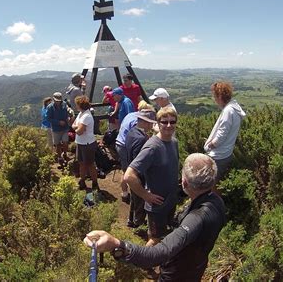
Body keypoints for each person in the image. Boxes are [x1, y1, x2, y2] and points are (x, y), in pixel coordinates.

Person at [84, 153, 226, 282]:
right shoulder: (217, 201)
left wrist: (116, 244)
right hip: (195, 269)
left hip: (175, 275)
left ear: (185, 183)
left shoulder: (196, 219)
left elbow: (156, 255)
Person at [124, 107, 179, 247]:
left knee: (163, 235)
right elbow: (129, 176)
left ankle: (159, 259)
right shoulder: (152, 147)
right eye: (164, 121)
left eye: (172, 122)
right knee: (155, 239)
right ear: (158, 123)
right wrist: (146, 195)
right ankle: (144, 263)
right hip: (157, 205)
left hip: (170, 201)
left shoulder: (173, 142)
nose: (168, 125)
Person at [204, 81, 246, 185]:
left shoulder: (228, 111)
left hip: (218, 155)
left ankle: (215, 201)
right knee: (217, 182)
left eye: (215, 96)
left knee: (213, 184)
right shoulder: (235, 108)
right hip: (226, 153)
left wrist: (211, 145)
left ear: (220, 96)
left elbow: (221, 134)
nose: (215, 100)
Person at [115, 101, 155, 204]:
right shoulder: (136, 123)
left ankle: (126, 193)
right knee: (130, 172)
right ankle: (129, 194)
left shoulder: (130, 115)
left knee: (126, 169)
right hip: (125, 145)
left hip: (121, 142)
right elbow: (138, 137)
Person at [124, 109, 156, 228]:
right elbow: (139, 161)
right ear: (146, 122)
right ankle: (139, 223)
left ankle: (131, 220)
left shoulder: (131, 132)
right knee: (140, 199)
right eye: (151, 123)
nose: (152, 126)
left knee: (134, 197)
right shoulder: (141, 139)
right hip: (138, 175)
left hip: (131, 170)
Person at [71, 95, 98, 191]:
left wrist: (76, 127)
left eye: (77, 104)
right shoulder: (81, 114)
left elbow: (79, 131)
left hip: (87, 144)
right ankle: (82, 181)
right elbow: (74, 125)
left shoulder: (86, 116)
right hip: (81, 142)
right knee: (82, 163)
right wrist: (77, 127)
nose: (75, 106)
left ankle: (95, 183)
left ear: (80, 105)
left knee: (90, 164)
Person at [47, 92, 70, 167]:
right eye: (56, 100)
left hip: (65, 128)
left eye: (59, 100)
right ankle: (60, 157)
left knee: (65, 142)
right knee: (57, 144)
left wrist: (67, 118)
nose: (58, 102)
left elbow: (67, 113)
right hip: (56, 129)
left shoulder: (64, 104)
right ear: (53, 99)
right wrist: (58, 122)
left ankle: (65, 153)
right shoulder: (50, 107)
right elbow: (48, 118)